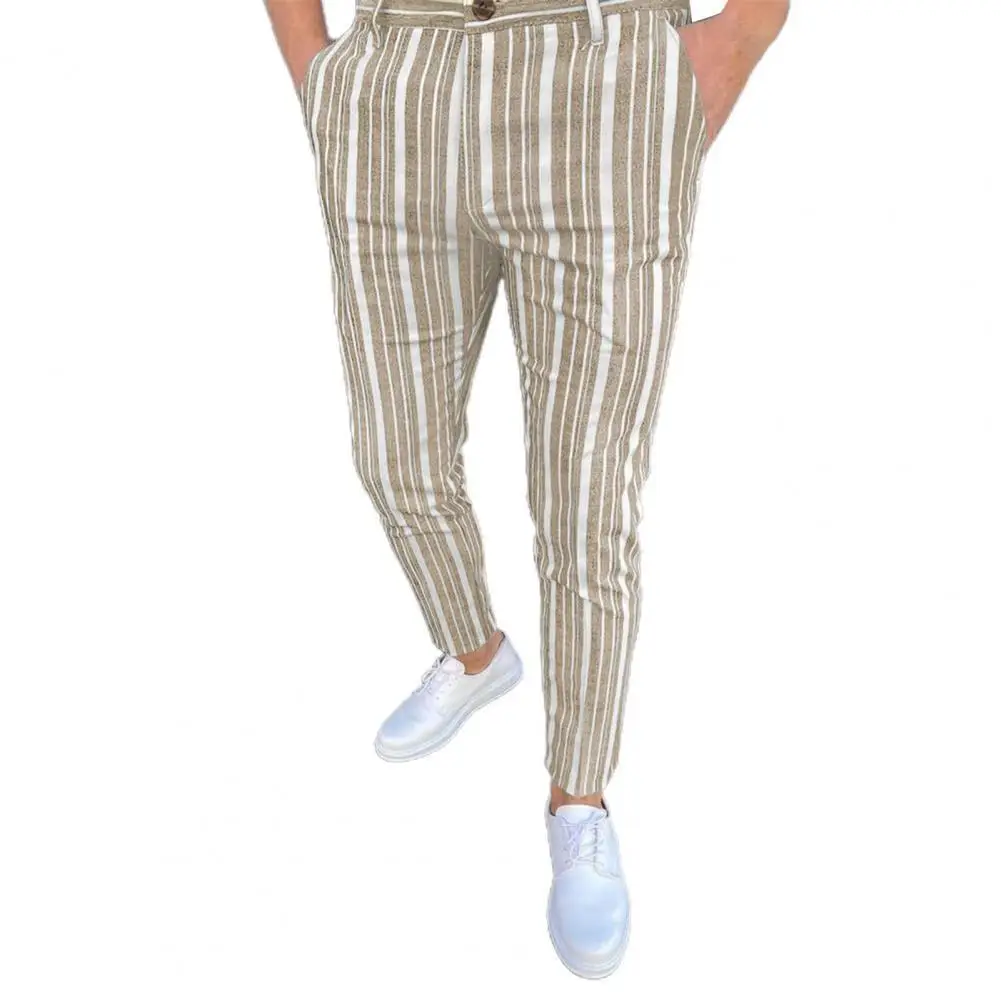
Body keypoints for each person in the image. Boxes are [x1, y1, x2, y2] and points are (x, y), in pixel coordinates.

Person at [265, 0, 788, 979]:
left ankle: (577, 798)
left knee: (585, 498)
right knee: (395, 456)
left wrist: (746, 30)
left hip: (596, 67)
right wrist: (317, 70)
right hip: (394, 78)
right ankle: (474, 650)